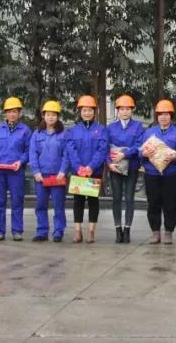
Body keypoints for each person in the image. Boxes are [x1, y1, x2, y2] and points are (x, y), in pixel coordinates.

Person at [140, 100, 176, 244]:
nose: (163, 117)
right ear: (157, 116)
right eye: (160, 114)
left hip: (171, 175)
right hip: (152, 174)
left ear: (171, 116)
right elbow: (140, 151)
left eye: (166, 114)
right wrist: (144, 154)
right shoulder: (149, 132)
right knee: (153, 203)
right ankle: (155, 232)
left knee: (170, 203)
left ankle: (168, 232)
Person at [66, 95, 108, 243]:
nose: (87, 113)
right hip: (78, 172)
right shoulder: (73, 130)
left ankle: (91, 231)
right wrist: (78, 167)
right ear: (80, 112)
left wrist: (91, 167)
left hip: (94, 171)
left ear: (94, 112)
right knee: (77, 201)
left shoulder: (101, 130)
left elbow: (102, 150)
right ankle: (78, 231)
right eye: (84, 110)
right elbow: (71, 150)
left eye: (90, 110)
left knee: (93, 201)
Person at [0, 97, 31, 241]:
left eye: (14, 111)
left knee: (17, 201)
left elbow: (28, 150)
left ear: (19, 113)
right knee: (0, 202)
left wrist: (21, 161)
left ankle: (17, 230)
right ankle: (0, 231)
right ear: (5, 113)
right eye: (9, 111)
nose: (12, 114)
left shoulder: (25, 130)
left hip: (16, 171)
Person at [30, 100, 69, 242]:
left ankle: (58, 231)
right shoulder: (37, 134)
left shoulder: (64, 134)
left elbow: (66, 154)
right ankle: (42, 232)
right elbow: (32, 154)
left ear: (58, 116)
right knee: (41, 205)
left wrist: (63, 171)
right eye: (48, 114)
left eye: (53, 115)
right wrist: (36, 172)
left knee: (58, 205)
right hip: (41, 176)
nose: (50, 117)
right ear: (43, 116)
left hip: (57, 176)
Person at [107, 95, 144, 243]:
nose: (124, 112)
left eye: (128, 109)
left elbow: (139, 145)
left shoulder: (138, 127)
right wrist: (109, 163)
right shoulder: (111, 127)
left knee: (129, 198)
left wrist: (124, 154)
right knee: (116, 198)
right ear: (117, 110)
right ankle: (118, 229)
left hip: (132, 167)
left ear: (132, 110)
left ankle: (127, 229)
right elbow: (104, 147)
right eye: (122, 109)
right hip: (115, 168)